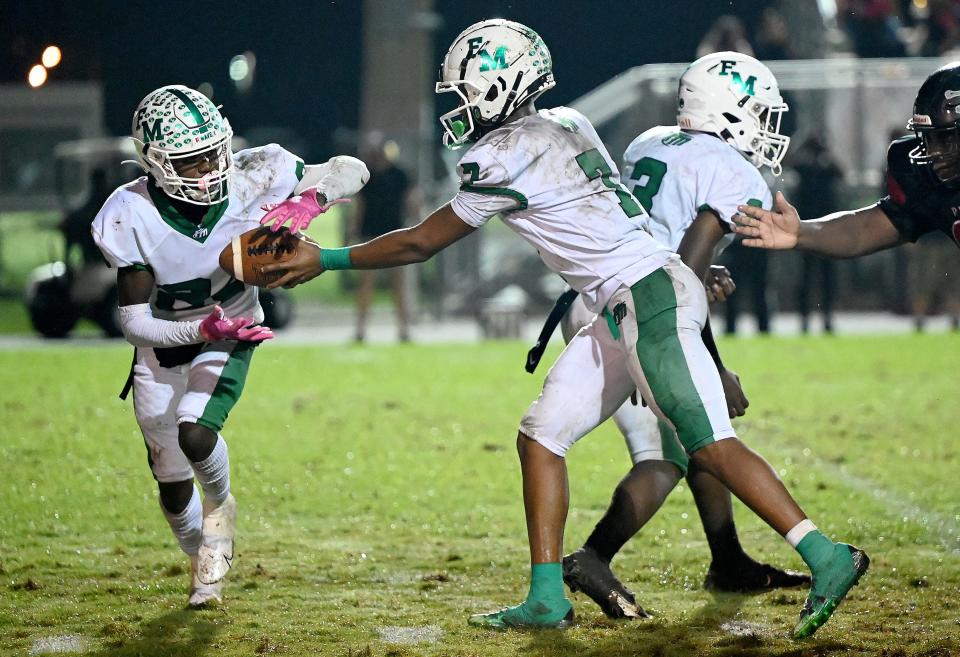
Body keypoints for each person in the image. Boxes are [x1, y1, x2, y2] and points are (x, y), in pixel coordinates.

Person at [260, 21, 868, 638]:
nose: (460, 108)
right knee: (541, 437)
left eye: (465, 92)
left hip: (646, 295)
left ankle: (826, 554)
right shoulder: (568, 123)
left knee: (707, 442)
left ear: (500, 87)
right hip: (623, 301)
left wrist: (327, 258)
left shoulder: (502, 153)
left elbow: (421, 243)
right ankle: (547, 596)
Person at [528, 52, 808, 621]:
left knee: (696, 439)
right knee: (671, 452)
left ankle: (728, 561)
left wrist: (706, 276)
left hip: (604, 297)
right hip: (636, 311)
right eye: (758, 113)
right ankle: (592, 558)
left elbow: (664, 245)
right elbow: (681, 265)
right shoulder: (731, 170)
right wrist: (716, 362)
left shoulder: (651, 142)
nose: (767, 127)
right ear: (730, 112)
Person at [91, 85, 368, 607]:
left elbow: (352, 168)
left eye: (213, 152)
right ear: (155, 163)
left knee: (196, 434)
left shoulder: (257, 173)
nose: (209, 169)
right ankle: (203, 561)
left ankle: (221, 510)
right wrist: (199, 332)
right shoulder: (129, 212)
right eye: (190, 162)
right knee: (172, 486)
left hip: (234, 329)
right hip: (165, 344)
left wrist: (312, 198)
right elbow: (132, 324)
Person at [734, 62, 960, 267]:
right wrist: (801, 232)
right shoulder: (928, 178)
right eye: (929, 139)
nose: (934, 151)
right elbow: (863, 230)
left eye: (946, 138)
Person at [352, 140, 413, 343]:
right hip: (371, 235)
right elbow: (360, 206)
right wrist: (353, 229)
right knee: (367, 284)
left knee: (400, 285)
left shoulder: (400, 175)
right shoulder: (368, 178)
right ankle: (360, 329)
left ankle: (404, 329)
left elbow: (410, 200)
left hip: (395, 234)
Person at [790, 135, 842, 334]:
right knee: (808, 278)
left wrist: (824, 152)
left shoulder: (825, 168)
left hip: (824, 228)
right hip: (807, 229)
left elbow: (840, 172)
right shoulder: (805, 168)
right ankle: (806, 317)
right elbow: (791, 163)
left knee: (824, 277)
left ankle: (826, 316)